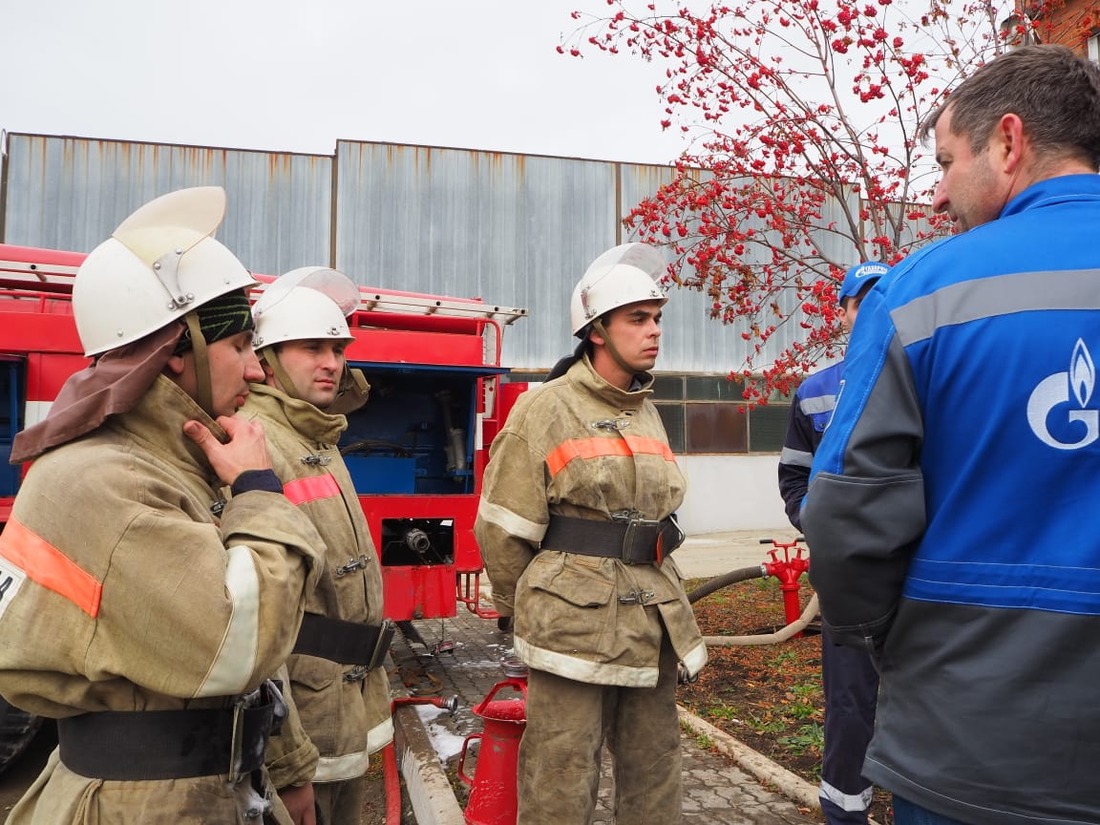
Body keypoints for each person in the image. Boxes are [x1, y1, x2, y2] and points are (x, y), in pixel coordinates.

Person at [801, 44, 1100, 825]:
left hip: (971, 743)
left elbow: (845, 516)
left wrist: (883, 639)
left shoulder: (920, 292)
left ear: (1008, 142)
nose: (937, 195)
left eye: (945, 161)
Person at [0, 186, 326, 824]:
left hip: (205, 790)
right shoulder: (104, 482)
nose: (257, 373)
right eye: (239, 348)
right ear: (176, 352)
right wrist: (257, 491)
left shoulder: (163, 464)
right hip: (147, 805)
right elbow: (237, 647)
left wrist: (285, 770)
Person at [474, 242, 707, 824]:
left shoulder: (646, 408)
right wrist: (521, 611)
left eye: (656, 318)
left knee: (655, 771)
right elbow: (503, 528)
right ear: (596, 330)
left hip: (650, 621)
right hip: (571, 631)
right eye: (637, 319)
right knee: (561, 773)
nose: (654, 331)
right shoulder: (544, 409)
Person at [245, 267, 393, 825]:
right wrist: (284, 763)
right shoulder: (254, 440)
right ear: (267, 358)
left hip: (339, 704)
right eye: (312, 348)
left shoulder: (318, 436)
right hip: (299, 721)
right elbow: (254, 620)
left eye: (338, 347)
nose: (332, 361)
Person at [777, 261, 886, 825]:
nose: (869, 310)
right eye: (859, 302)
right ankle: (845, 812)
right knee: (850, 703)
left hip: (921, 578)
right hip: (847, 579)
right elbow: (794, 475)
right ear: (841, 314)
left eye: (882, 297)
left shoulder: (931, 378)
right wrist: (816, 524)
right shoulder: (815, 392)